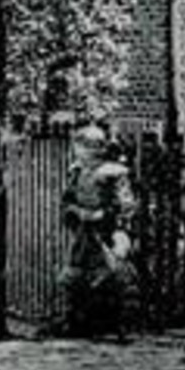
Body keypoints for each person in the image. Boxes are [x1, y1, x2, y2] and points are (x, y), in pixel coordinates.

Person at [60, 124, 139, 338]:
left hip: (108, 230)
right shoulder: (76, 171)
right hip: (84, 232)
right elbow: (67, 200)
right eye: (82, 145)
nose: (86, 151)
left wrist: (104, 216)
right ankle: (80, 325)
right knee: (76, 275)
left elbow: (126, 204)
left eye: (92, 146)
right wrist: (75, 211)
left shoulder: (114, 173)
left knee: (111, 275)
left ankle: (115, 327)